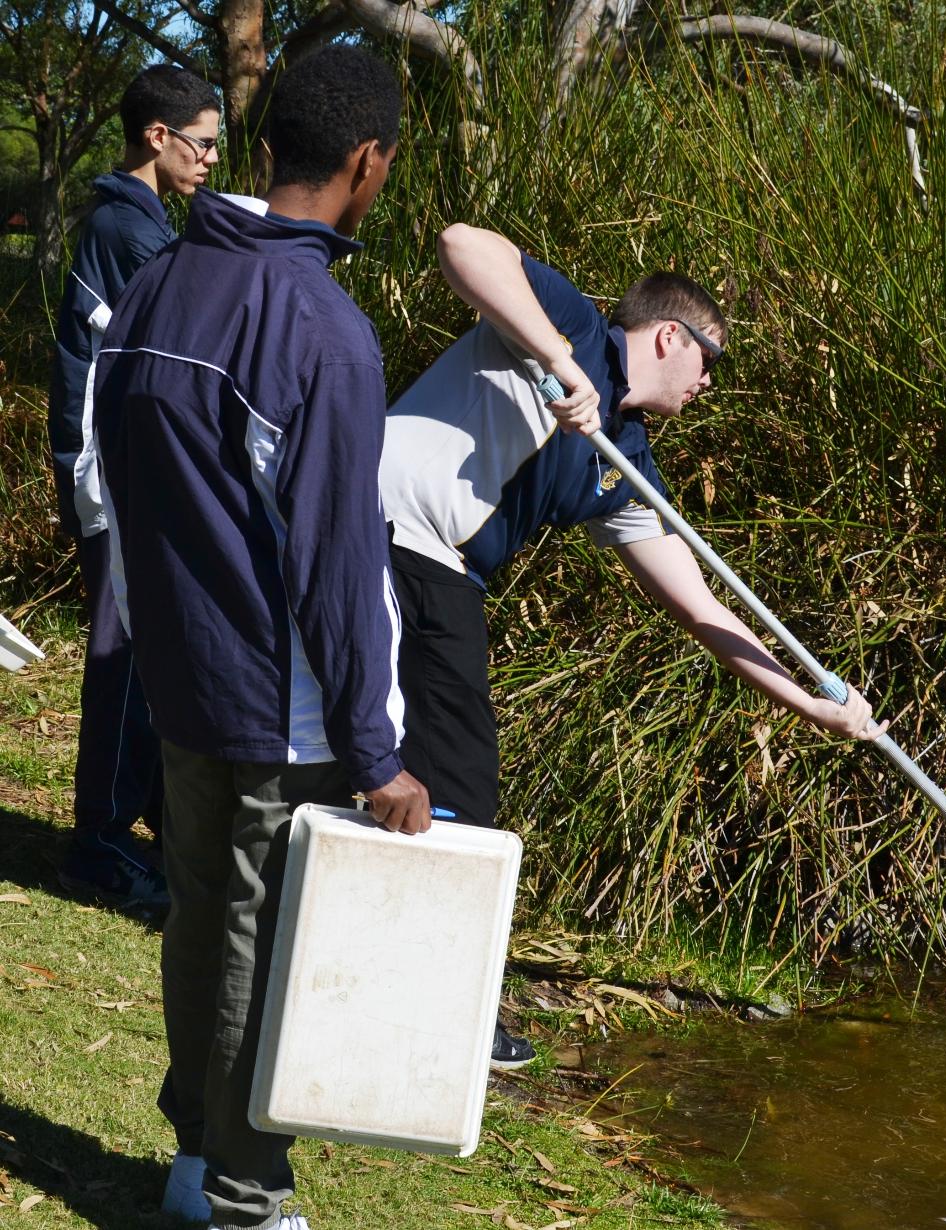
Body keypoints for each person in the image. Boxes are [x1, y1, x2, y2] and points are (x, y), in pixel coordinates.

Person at [379, 226, 882, 1064]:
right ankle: (445, 1008)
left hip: (437, 570)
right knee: (460, 781)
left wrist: (816, 706)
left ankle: (389, 970)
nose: (710, 385)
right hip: (392, 532)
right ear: (668, 337)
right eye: (710, 362)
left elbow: (702, 611)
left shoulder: (627, 465)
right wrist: (562, 366)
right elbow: (462, 245)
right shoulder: (573, 323)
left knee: (395, 759)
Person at [94, 46, 429, 1230]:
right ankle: (237, 1190)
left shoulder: (157, 286)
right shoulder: (322, 331)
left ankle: (198, 1156)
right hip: (271, 703)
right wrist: (376, 749)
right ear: (365, 161)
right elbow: (338, 570)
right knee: (247, 938)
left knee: (204, 919)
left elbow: (108, 479)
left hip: (177, 676)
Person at [49, 65, 221, 911]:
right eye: (205, 143)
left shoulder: (136, 217)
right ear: (160, 136)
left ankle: (141, 826)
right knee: (122, 662)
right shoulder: (130, 227)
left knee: (147, 655)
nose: (212, 160)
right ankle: (99, 848)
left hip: (122, 473)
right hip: (110, 475)